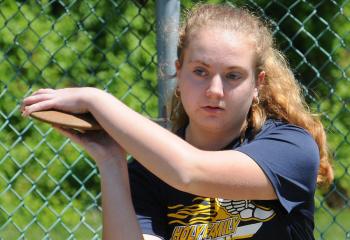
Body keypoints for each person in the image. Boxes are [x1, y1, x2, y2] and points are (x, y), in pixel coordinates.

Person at [21, 3, 333, 240]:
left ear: (257, 86)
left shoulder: (290, 147)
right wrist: (111, 162)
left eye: (233, 76)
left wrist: (96, 99)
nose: (214, 90)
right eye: (200, 71)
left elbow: (189, 170)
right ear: (178, 74)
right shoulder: (148, 173)